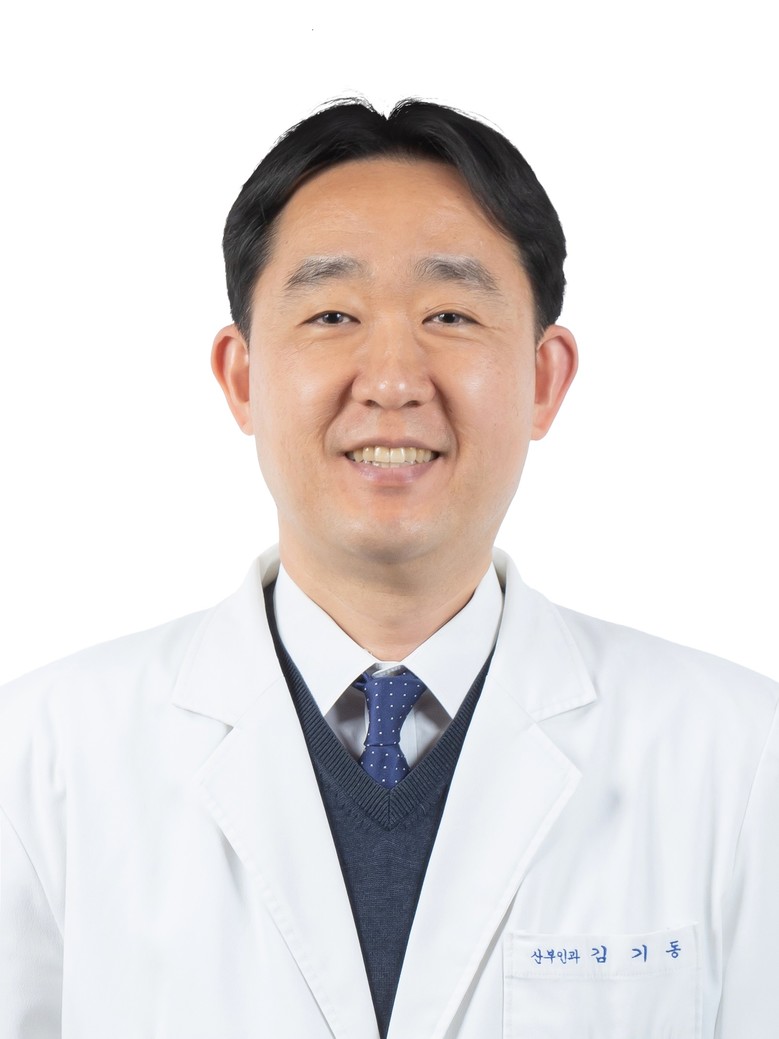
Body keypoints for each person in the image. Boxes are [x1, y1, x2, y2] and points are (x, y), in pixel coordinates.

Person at [0, 99, 777, 1039]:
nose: (394, 379)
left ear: (544, 378)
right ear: (242, 377)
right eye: (332, 313)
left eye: (450, 313)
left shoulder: (739, 759)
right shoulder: (38, 762)